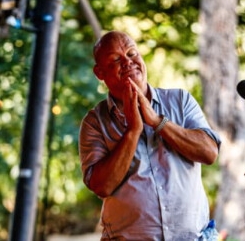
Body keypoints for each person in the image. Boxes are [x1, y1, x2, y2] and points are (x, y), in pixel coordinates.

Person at [79, 30, 221, 241]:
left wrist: (157, 121)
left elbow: (209, 153)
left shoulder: (180, 100)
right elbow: (101, 186)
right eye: (116, 59)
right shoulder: (94, 123)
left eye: (132, 53)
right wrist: (133, 130)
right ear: (99, 73)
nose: (128, 62)